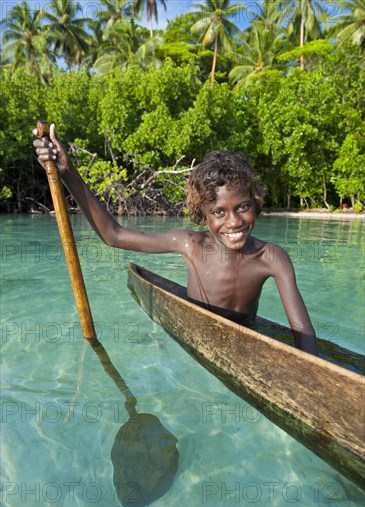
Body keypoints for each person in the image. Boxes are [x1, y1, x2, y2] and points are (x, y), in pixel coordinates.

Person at [33, 124, 318, 355]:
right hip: (196, 333)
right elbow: (113, 235)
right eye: (219, 212)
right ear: (202, 213)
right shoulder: (190, 244)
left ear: (254, 202)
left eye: (242, 207)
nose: (234, 222)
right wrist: (68, 173)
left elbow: (303, 332)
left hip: (244, 342)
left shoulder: (272, 257)